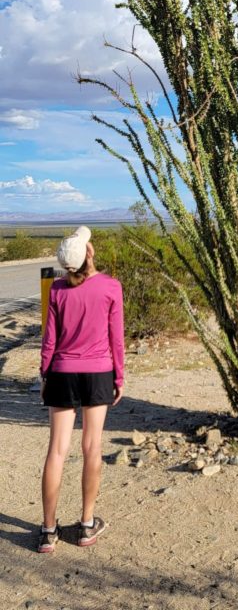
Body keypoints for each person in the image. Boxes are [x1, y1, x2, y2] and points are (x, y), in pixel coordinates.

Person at [38, 226, 124, 553]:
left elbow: (50, 340)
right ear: (89, 253)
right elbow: (116, 337)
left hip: (62, 372)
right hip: (99, 372)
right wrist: (119, 377)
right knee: (92, 447)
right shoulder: (111, 287)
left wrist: (45, 374)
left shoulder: (58, 290)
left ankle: (48, 530)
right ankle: (86, 526)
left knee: (56, 451)